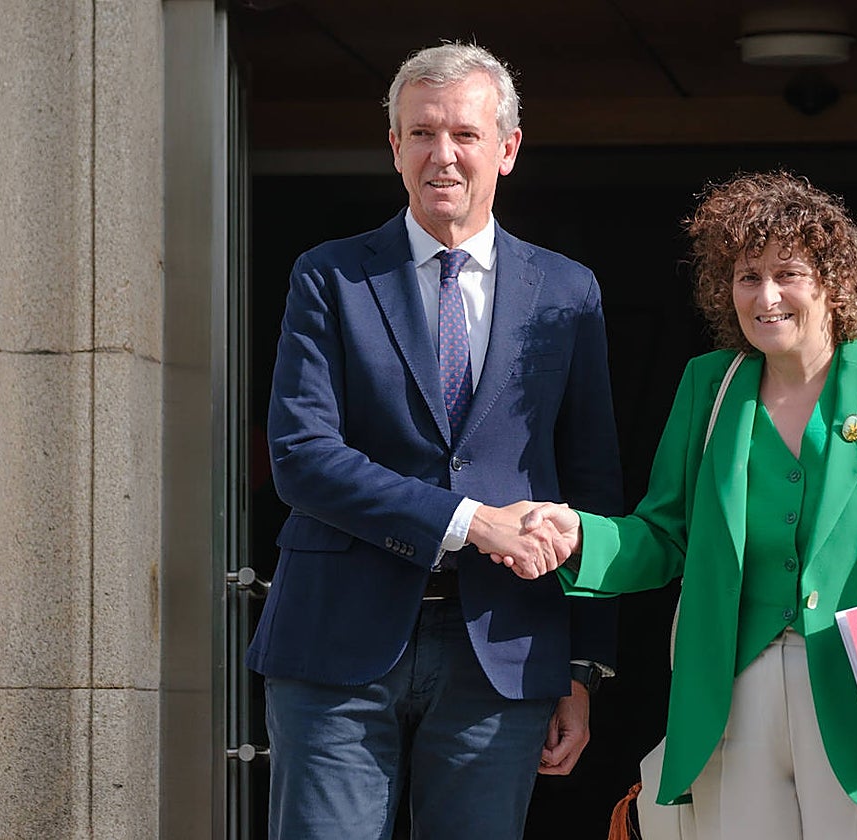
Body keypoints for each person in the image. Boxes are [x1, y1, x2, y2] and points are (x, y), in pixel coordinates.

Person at [505, 170, 857, 839]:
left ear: (833, 282)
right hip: (731, 701)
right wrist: (578, 537)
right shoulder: (709, 385)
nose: (766, 296)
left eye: (787, 273)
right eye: (747, 276)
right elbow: (666, 536)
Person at [245, 41, 623, 840]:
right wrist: (469, 521)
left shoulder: (567, 292)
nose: (441, 155)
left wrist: (583, 667)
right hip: (336, 643)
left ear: (508, 148)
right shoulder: (330, 275)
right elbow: (301, 456)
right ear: (393, 146)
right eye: (420, 134)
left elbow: (591, 483)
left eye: (464, 134)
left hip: (505, 649)